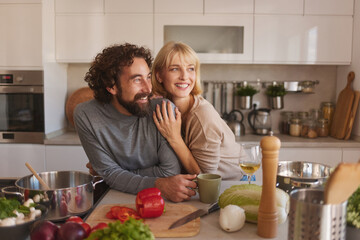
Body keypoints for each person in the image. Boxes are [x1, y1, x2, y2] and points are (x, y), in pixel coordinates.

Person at [74, 43, 197, 202]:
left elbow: (170, 172)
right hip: (117, 200)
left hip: (161, 201)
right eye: (137, 80)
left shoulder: (162, 110)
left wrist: (117, 174)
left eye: (148, 77)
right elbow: (110, 174)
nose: (148, 89)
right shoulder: (86, 115)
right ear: (112, 86)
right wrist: (158, 183)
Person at [151, 41, 244, 180]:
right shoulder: (165, 106)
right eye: (175, 69)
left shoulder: (203, 116)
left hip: (233, 182)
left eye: (190, 69)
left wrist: (174, 137)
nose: (184, 76)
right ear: (159, 76)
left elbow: (206, 178)